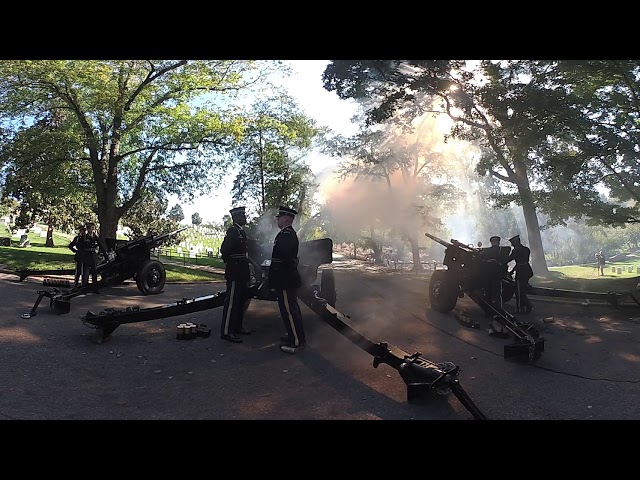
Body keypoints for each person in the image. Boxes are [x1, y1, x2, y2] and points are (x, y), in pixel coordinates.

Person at [269, 205, 305, 354]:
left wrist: (273, 278)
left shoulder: (286, 235)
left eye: (279, 218)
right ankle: (293, 336)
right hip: (287, 278)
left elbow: (282, 260)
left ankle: (296, 341)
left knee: (289, 310)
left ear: (285, 219)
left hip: (285, 279)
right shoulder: (287, 234)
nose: (277, 220)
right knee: (290, 309)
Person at [218, 206, 251, 343]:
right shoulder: (232, 231)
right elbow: (224, 251)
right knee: (231, 303)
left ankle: (237, 327)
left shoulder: (241, 232)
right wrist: (233, 265)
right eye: (243, 216)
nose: (245, 218)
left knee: (240, 302)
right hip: (235, 272)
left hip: (242, 272)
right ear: (237, 217)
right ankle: (227, 331)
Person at [507, 235, 534, 314]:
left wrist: (502, 261)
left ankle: (523, 307)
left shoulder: (516, 251)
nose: (512, 245)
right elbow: (521, 263)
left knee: (519, 291)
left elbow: (511, 260)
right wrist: (512, 270)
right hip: (527, 271)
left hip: (521, 273)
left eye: (512, 243)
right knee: (521, 290)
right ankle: (524, 307)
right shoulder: (526, 249)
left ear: (516, 242)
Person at [78, 222, 109, 288]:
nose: (90, 230)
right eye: (88, 228)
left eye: (91, 228)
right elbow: (79, 245)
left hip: (93, 256)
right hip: (86, 255)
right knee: (85, 272)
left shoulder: (95, 237)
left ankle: (95, 287)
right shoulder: (83, 237)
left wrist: (105, 254)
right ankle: (84, 286)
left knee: (94, 272)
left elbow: (101, 245)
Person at [482, 235, 505, 310]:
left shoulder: (488, 251)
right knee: (495, 293)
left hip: (491, 274)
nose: (495, 243)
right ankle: (497, 309)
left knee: (490, 293)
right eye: (494, 242)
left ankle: (490, 309)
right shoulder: (501, 250)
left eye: (496, 241)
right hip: (494, 274)